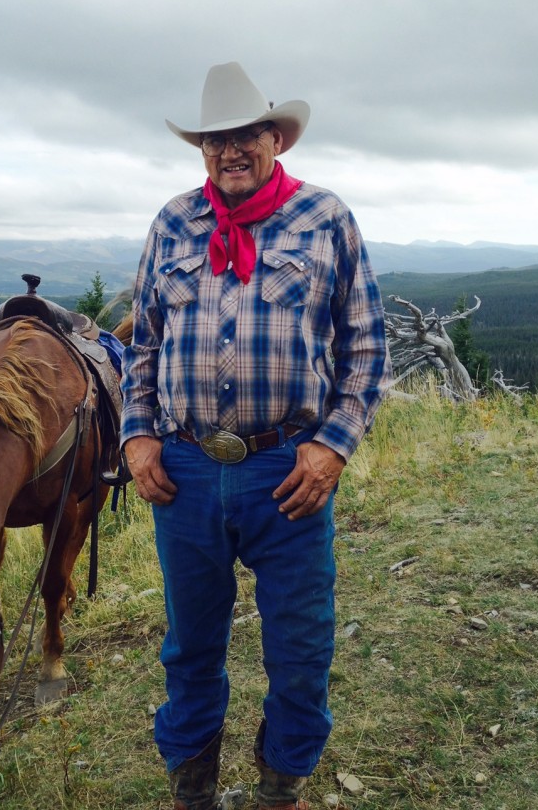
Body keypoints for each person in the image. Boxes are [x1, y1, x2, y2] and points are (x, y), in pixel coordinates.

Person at [120, 62, 391, 810]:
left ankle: (281, 791)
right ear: (201, 149)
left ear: (275, 137)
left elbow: (366, 345)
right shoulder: (174, 223)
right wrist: (138, 439)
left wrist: (333, 443)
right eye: (214, 140)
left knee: (301, 649)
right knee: (190, 648)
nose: (229, 151)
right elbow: (142, 346)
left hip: (288, 470)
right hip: (185, 469)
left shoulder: (325, 218)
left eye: (244, 135)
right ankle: (193, 793)